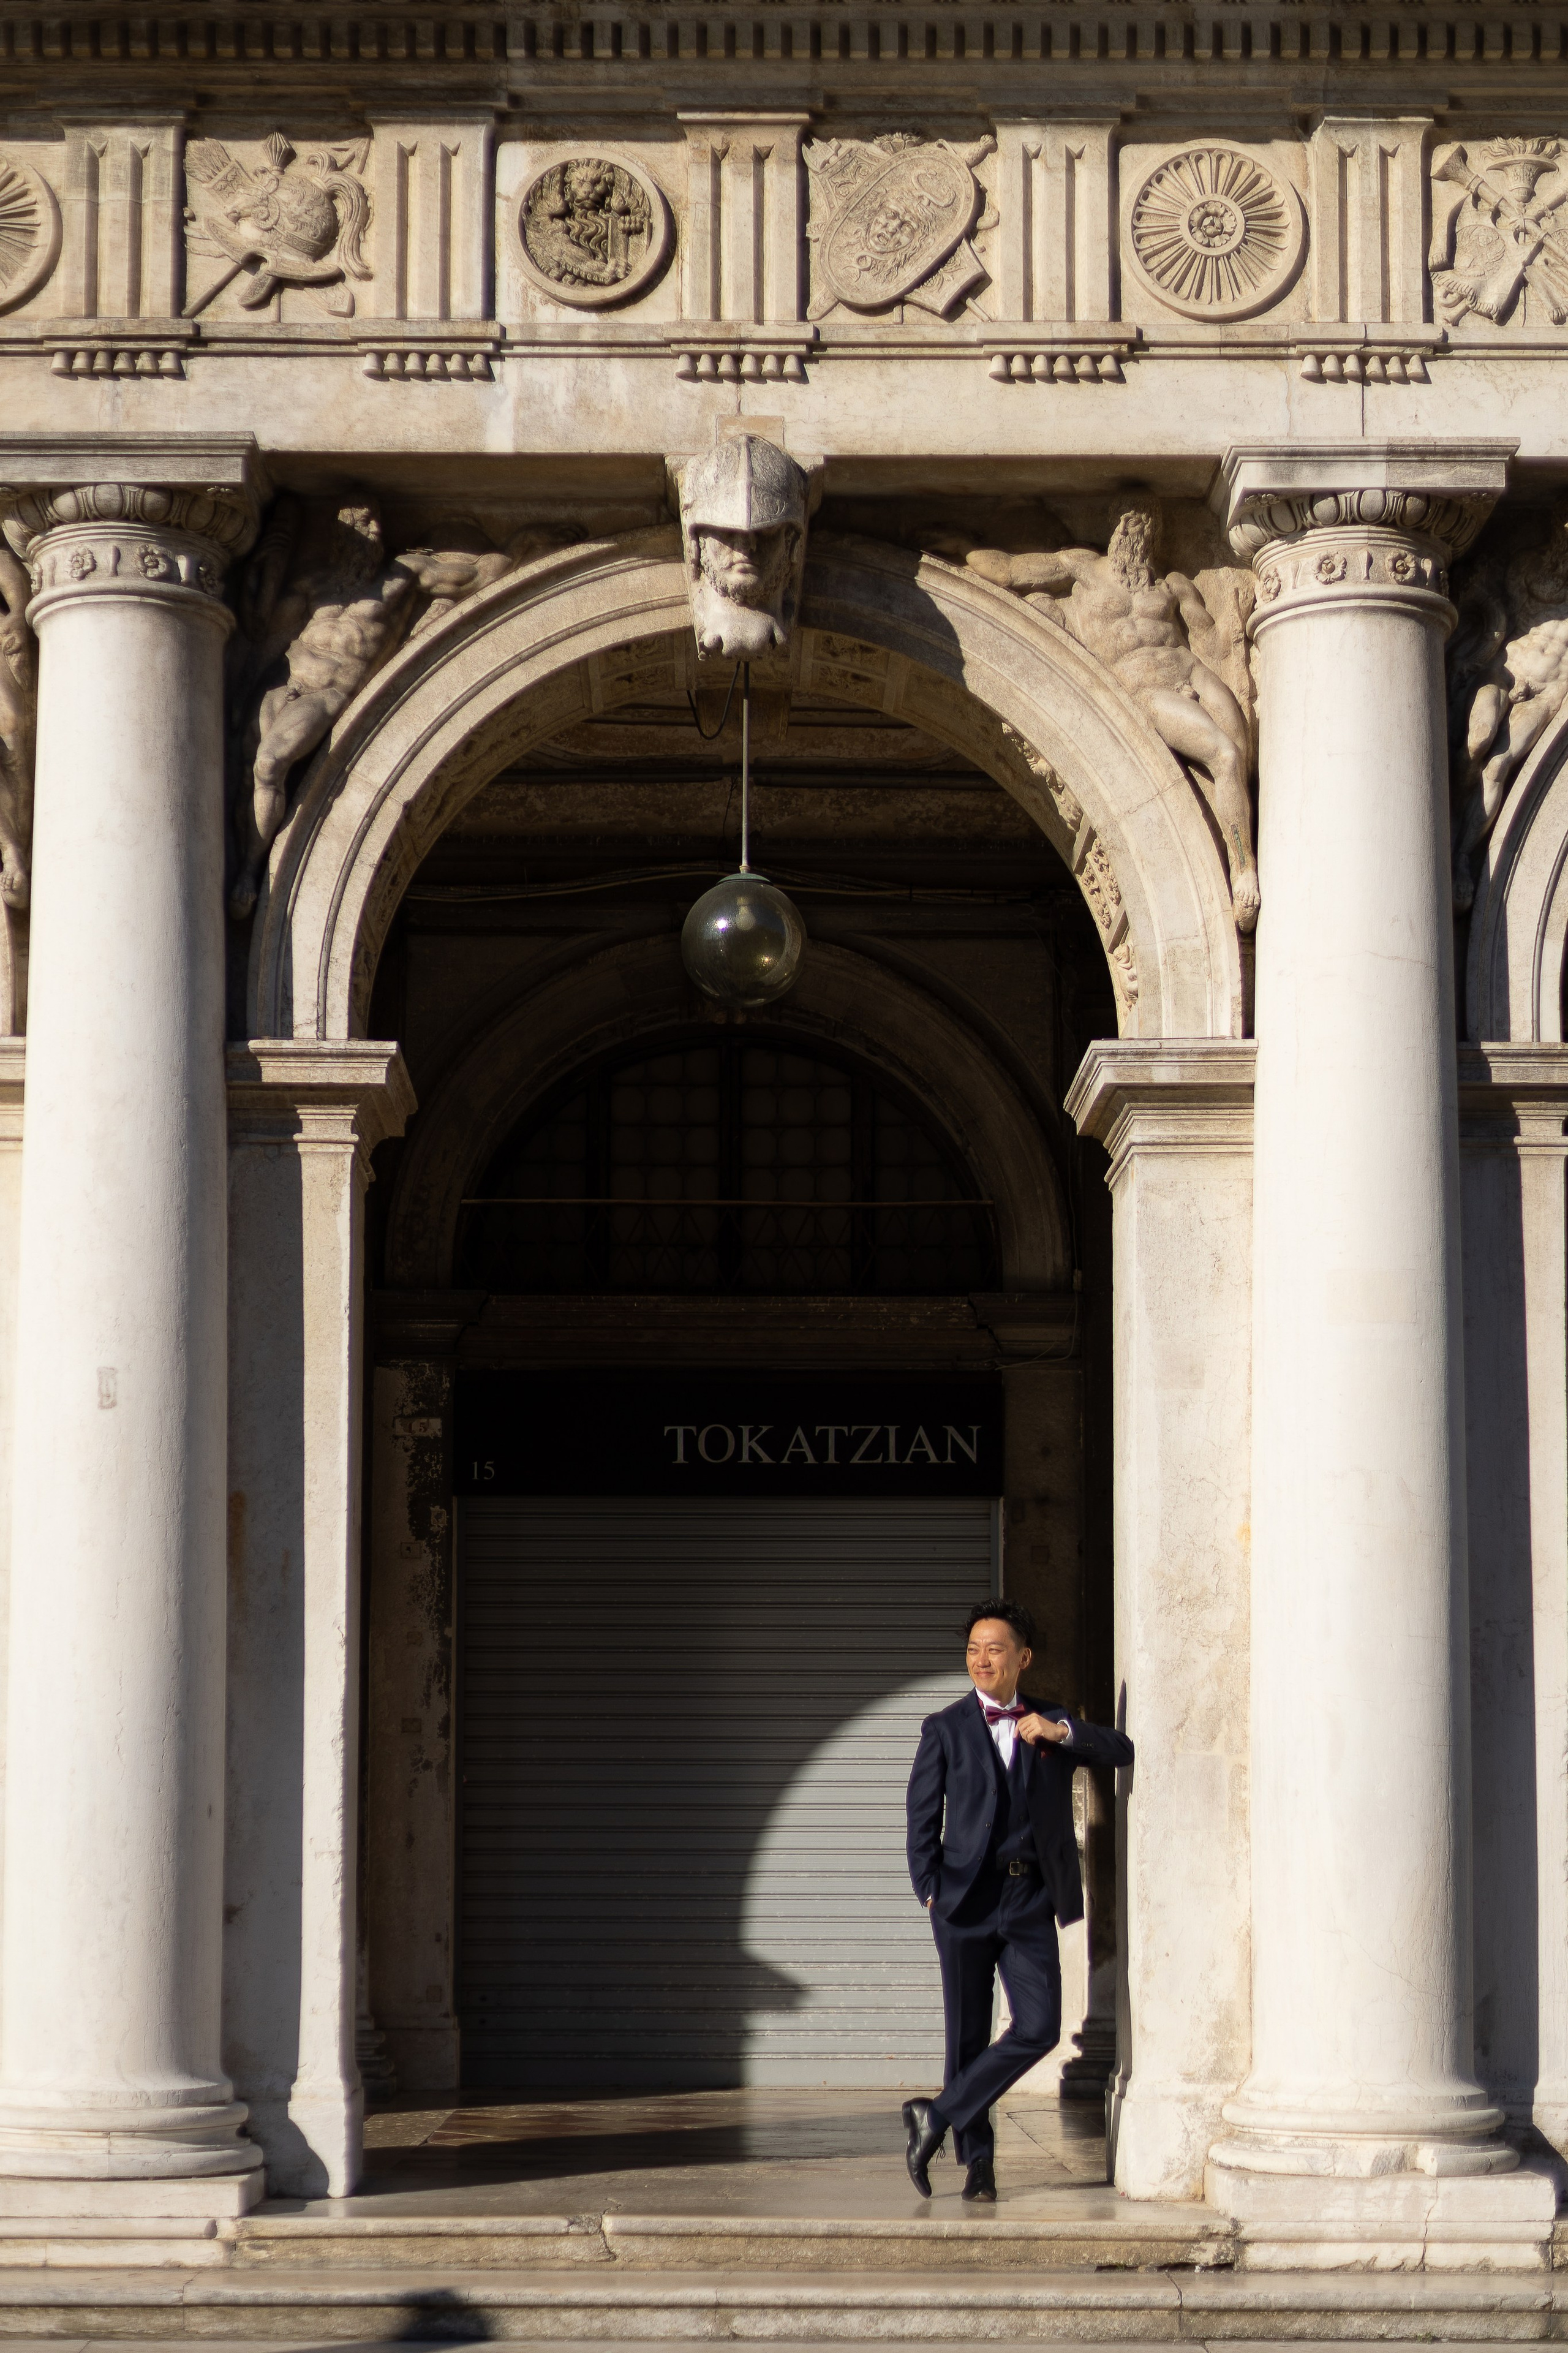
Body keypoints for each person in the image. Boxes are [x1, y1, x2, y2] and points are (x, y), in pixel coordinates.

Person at [902, 1599, 1134, 2203]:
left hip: (1029, 1896)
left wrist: (1063, 1733)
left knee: (1038, 2026)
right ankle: (978, 2165)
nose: (982, 1659)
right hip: (963, 1900)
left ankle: (935, 2114)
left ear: (1022, 1658)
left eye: (995, 1649)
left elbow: (1121, 1749)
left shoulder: (1050, 1720)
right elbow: (921, 1816)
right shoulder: (944, 1727)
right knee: (967, 2037)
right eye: (974, 1649)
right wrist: (929, 1889)